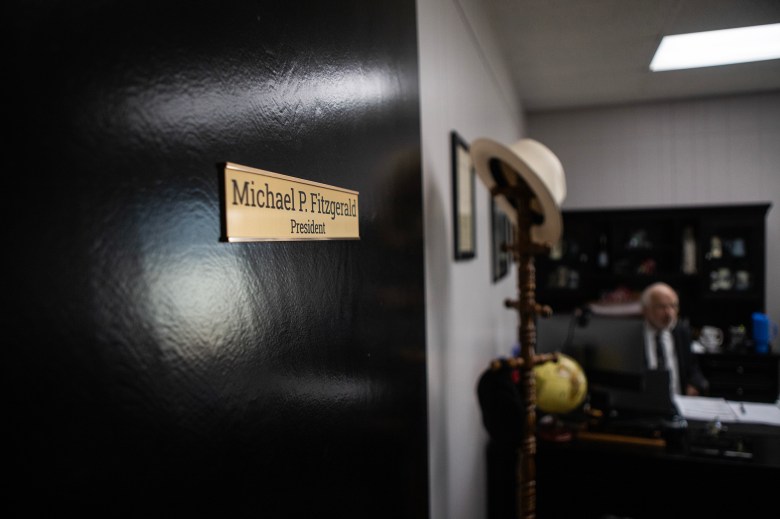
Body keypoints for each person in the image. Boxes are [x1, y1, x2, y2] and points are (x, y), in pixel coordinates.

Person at [640, 282, 709, 396]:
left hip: (678, 401)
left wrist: (695, 384)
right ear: (646, 309)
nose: (669, 313)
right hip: (644, 403)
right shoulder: (634, 335)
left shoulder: (681, 332)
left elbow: (693, 369)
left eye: (673, 306)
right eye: (662, 307)